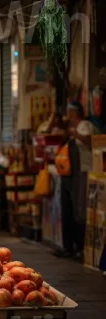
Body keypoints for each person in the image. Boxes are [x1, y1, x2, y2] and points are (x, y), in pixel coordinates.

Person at [57, 101, 99, 259]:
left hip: (82, 172)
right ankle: (68, 247)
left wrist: (76, 134)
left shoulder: (85, 125)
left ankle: (80, 247)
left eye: (68, 111)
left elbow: (91, 141)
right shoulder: (69, 129)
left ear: (73, 112)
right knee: (67, 208)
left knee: (79, 210)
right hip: (69, 173)